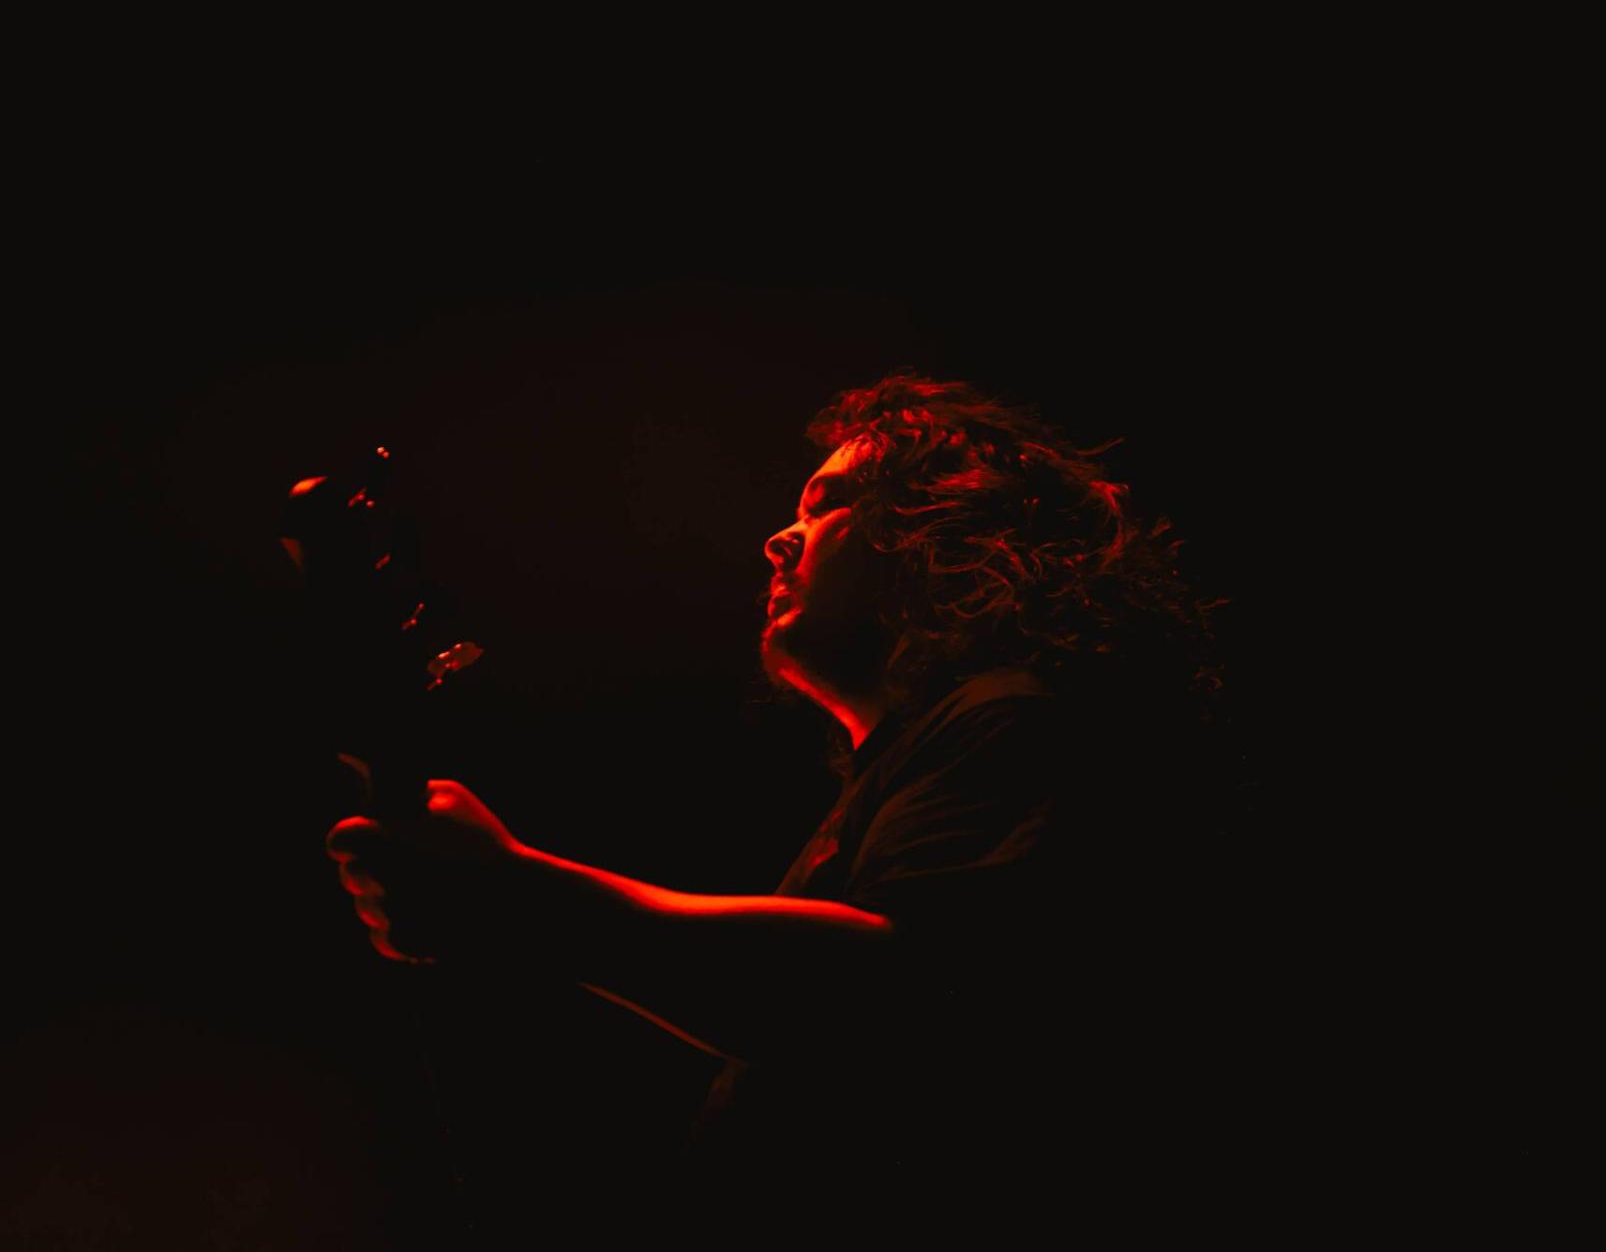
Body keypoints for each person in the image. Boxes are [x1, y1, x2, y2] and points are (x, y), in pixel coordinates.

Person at [325, 374, 1230, 1217]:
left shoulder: (1013, 716)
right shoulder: (908, 770)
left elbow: (891, 1002)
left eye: (827, 504)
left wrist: (519, 896)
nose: (778, 538)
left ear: (943, 528)